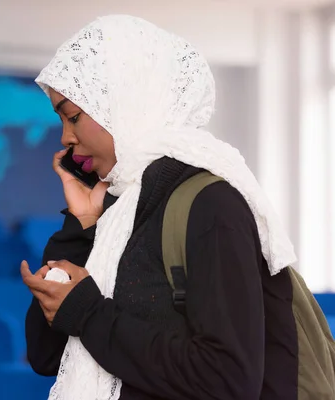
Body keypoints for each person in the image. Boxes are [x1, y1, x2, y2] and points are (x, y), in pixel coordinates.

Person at [21, 15, 300, 400]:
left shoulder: (211, 207)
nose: (66, 137)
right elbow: (45, 354)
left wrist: (88, 313)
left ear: (124, 103)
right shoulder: (121, 207)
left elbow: (229, 382)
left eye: (73, 117)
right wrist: (82, 225)